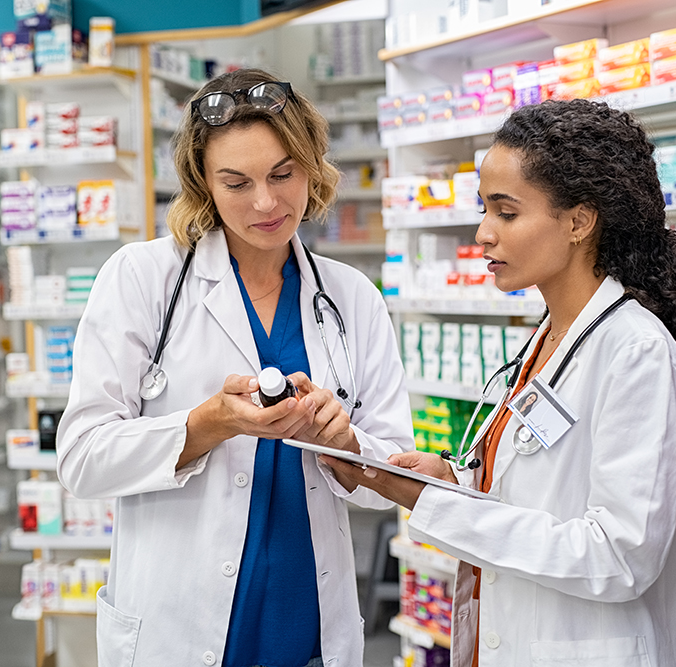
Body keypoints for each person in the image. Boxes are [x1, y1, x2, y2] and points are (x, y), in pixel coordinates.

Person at [324, 99, 676, 667]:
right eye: (484, 209)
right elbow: (539, 484)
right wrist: (456, 480)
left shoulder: (635, 351)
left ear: (579, 222)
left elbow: (619, 556)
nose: (483, 233)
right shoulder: (550, 334)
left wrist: (434, 504)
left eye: (506, 213)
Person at [55, 68, 413, 667]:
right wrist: (210, 423)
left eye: (283, 173)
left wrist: (346, 444)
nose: (267, 202)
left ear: (311, 165)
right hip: (178, 626)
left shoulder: (352, 298)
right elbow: (82, 460)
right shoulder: (143, 279)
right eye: (237, 182)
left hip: (309, 631)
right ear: (203, 183)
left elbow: (394, 477)